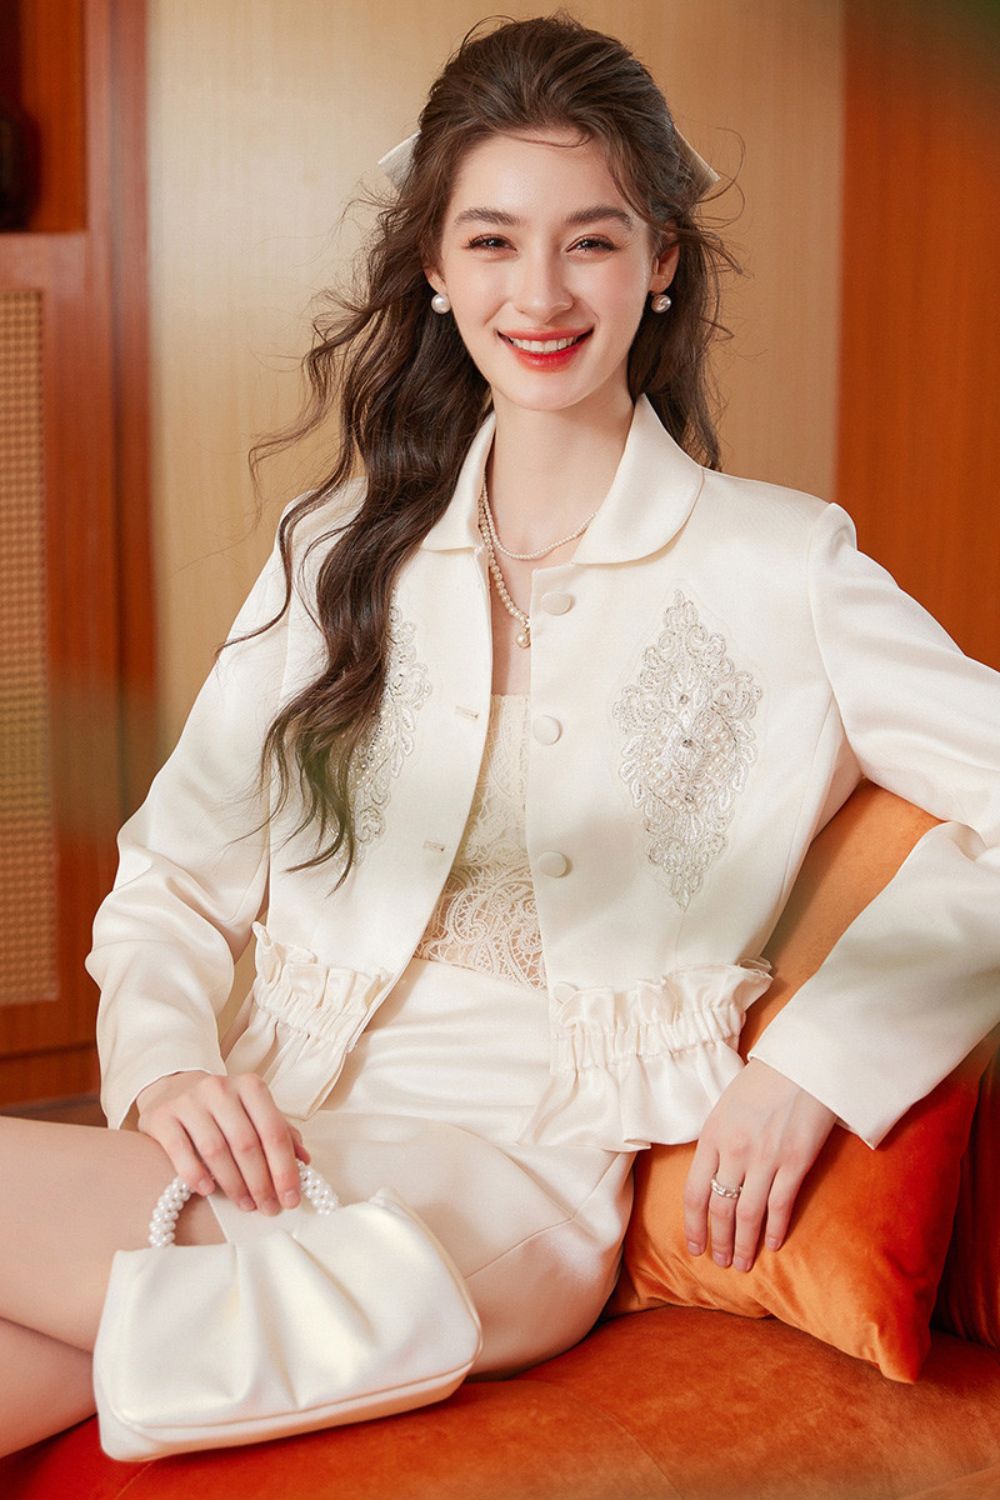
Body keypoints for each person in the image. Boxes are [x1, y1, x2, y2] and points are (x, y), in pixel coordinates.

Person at [2, 8, 999, 1461]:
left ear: (662, 261)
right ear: (432, 263)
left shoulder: (785, 570)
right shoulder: (335, 546)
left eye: (591, 239)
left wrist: (820, 1066)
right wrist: (162, 1066)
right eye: (491, 240)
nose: (540, 291)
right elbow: (176, 872)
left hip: (503, 1192)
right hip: (265, 1129)